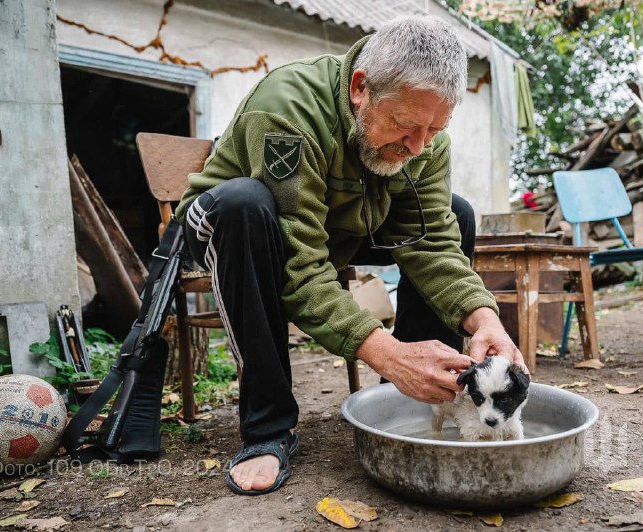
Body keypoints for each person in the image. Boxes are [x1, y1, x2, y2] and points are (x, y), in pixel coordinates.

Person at [174, 15, 527, 496]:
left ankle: (414, 398)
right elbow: (300, 264)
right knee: (245, 206)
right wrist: (383, 350)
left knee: (457, 212)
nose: (418, 146)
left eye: (435, 129)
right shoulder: (288, 110)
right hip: (240, 227)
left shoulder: (422, 140)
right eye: (404, 125)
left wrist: (483, 318)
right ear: (361, 88)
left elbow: (432, 241)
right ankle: (268, 430)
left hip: (343, 225)